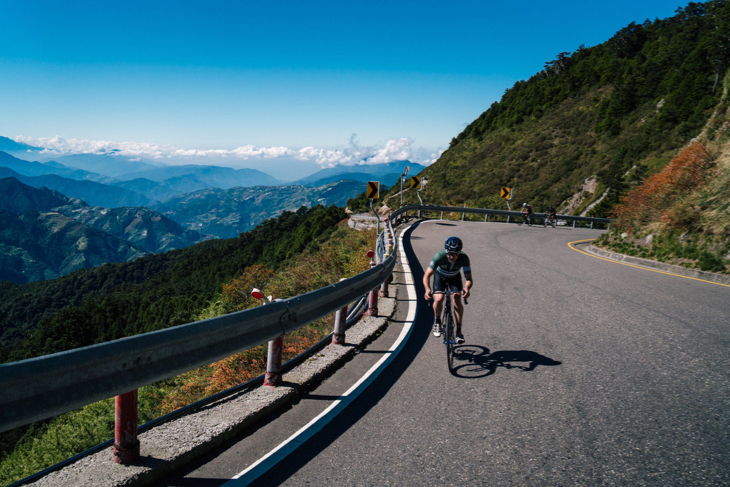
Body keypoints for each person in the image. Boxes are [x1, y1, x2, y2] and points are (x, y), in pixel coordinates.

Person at [423, 236, 473, 344]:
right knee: (439, 298)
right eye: (449, 253)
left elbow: (468, 278)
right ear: (446, 251)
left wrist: (466, 288)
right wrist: (427, 289)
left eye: (455, 254)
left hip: (455, 277)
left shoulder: (464, 258)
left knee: (456, 299)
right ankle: (437, 321)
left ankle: (459, 332)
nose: (451, 256)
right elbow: (426, 276)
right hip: (440, 276)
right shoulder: (439, 256)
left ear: (459, 253)